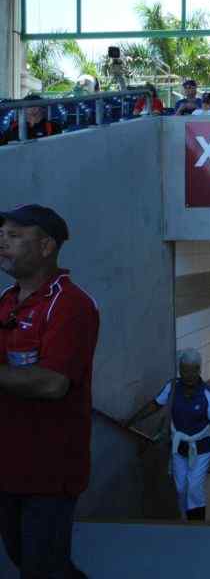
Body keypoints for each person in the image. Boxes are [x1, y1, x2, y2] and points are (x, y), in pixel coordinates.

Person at [0, 205, 99, 579]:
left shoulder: (72, 305)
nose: (1, 242)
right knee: (32, 562)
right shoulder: (7, 301)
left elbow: (53, 382)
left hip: (50, 472)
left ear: (46, 246)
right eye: (1, 234)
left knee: (41, 569)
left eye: (14, 235)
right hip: (8, 467)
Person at [125, 348, 210, 521]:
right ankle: (184, 522)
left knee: (194, 488)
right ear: (180, 370)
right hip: (179, 448)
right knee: (180, 489)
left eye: (192, 370)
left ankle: (197, 528)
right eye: (184, 370)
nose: (188, 375)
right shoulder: (172, 387)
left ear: (199, 370)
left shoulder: (208, 395)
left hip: (202, 449)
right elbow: (155, 405)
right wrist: (132, 420)